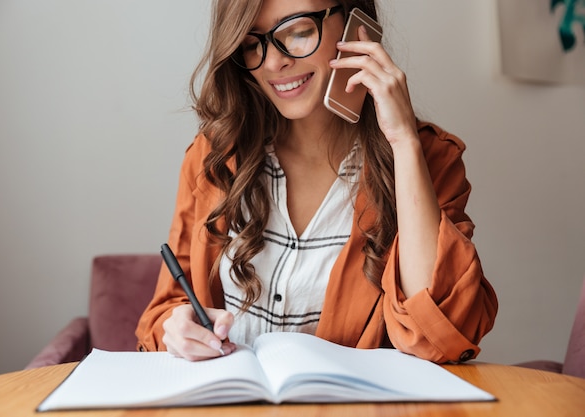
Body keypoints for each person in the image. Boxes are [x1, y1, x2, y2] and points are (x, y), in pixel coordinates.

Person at [135, 0, 498, 363]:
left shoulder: (429, 159)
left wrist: (403, 141)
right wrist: (177, 328)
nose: (274, 63)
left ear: (357, 23)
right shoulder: (213, 156)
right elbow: (165, 310)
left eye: (297, 32)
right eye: (251, 43)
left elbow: (443, 335)